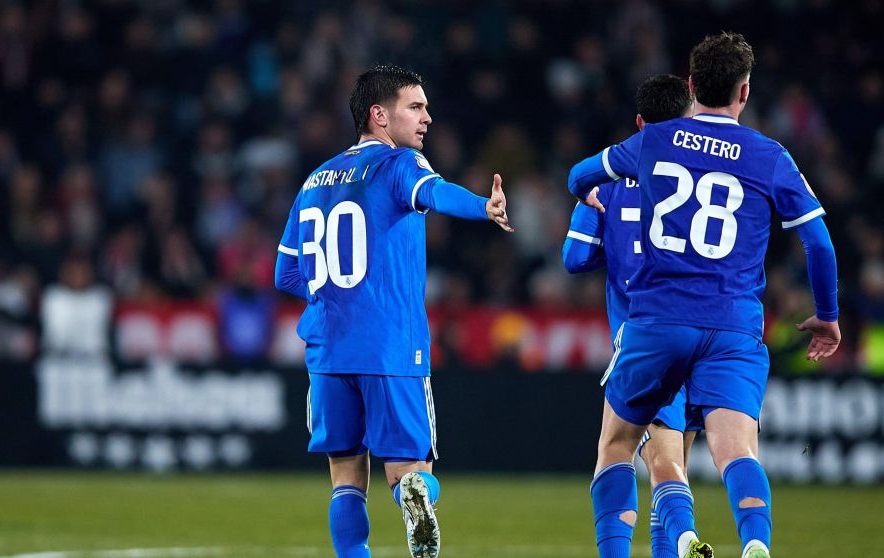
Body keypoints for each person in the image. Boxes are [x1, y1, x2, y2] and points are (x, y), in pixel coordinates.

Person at [567, 33, 840, 558]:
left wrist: (593, 195)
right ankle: (756, 544)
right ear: (744, 93)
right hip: (734, 323)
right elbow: (818, 241)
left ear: (691, 86)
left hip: (658, 319)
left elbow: (580, 175)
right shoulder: (770, 155)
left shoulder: (654, 141)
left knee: (618, 445)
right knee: (738, 451)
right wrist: (827, 315)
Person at [274, 64, 513, 558]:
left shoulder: (315, 180)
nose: (428, 116)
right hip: (390, 345)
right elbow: (433, 193)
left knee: (345, 476)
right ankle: (415, 497)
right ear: (380, 115)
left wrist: (338, 295)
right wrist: (482, 207)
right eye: (416, 106)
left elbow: (287, 274)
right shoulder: (400, 163)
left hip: (326, 348)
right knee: (410, 468)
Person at [562, 74, 695, 558]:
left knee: (622, 452)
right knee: (672, 456)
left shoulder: (611, 180)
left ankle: (679, 538)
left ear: (639, 124)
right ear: (690, 121)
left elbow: (575, 259)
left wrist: (588, 207)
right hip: (706, 330)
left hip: (642, 335)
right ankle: (679, 537)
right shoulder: (703, 182)